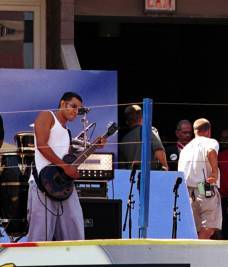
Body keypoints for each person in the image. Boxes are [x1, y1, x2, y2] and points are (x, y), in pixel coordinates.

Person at [27, 92, 106, 241]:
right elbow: (42, 146)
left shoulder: (67, 132)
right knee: (40, 236)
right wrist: (65, 167)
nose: (76, 111)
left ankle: (73, 263)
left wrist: (94, 147)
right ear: (63, 104)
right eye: (73, 106)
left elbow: (69, 161)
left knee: (75, 229)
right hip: (42, 183)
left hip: (63, 186)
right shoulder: (47, 115)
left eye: (79, 109)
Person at [178, 118, 222, 239]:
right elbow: (211, 151)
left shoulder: (185, 148)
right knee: (209, 226)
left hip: (188, 192)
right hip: (204, 188)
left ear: (194, 131)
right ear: (209, 131)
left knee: (195, 227)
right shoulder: (210, 142)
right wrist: (214, 172)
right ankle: (197, 250)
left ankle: (195, 251)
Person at [119, 104, 168, 171]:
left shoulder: (123, 140)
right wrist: (166, 168)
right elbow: (158, 150)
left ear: (127, 121)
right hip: (151, 177)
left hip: (132, 178)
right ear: (142, 116)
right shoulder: (148, 130)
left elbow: (123, 167)